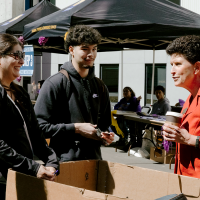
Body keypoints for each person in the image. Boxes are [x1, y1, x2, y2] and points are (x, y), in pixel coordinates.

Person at [34, 25, 114, 162]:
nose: (91, 54)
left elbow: (104, 124)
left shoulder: (100, 86)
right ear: (71, 50)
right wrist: (76, 128)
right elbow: (38, 127)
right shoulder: (54, 83)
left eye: (94, 49)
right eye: (85, 49)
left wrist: (106, 136)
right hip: (62, 162)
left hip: (94, 162)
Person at [0, 34, 59, 198]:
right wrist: (34, 168)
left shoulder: (20, 93)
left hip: (24, 176)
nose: (22, 61)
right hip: (3, 180)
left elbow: (36, 135)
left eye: (23, 55)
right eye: (16, 55)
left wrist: (51, 162)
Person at [163, 35, 200, 178]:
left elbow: (190, 139)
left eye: (178, 64)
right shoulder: (190, 98)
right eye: (172, 64)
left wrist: (191, 140)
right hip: (186, 182)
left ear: (197, 67)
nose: (172, 71)